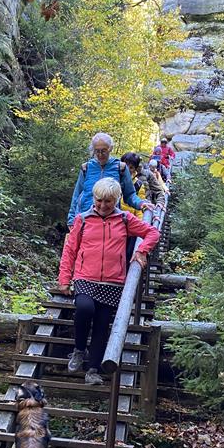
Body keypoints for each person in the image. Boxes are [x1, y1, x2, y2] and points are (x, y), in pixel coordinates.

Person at [58, 178, 160, 385]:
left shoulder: (124, 219)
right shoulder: (83, 219)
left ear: (116, 200)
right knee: (85, 309)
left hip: (113, 282)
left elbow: (152, 232)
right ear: (94, 198)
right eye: (99, 200)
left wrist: (141, 250)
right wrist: (64, 279)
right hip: (85, 277)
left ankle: (93, 369)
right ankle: (79, 349)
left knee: (103, 325)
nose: (103, 206)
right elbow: (70, 250)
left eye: (108, 202)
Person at [67, 132, 153, 227]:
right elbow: (77, 195)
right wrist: (71, 220)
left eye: (103, 151)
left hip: (110, 222)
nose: (100, 154)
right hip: (84, 220)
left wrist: (141, 203)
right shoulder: (86, 168)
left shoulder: (120, 168)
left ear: (110, 148)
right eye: (97, 151)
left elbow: (129, 195)